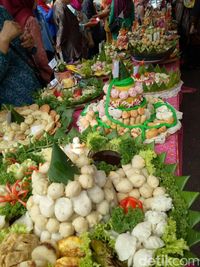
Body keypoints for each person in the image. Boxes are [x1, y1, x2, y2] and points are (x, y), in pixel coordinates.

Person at [0, 0, 52, 83]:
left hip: (35, 84)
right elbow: (41, 58)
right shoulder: (29, 19)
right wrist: (3, 41)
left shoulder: (2, 12)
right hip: (18, 93)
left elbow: (22, 50)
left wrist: (29, 45)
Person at [0, 6, 42, 105]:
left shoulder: (2, 11)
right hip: (13, 112)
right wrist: (3, 40)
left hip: (37, 92)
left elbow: (19, 49)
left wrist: (27, 43)